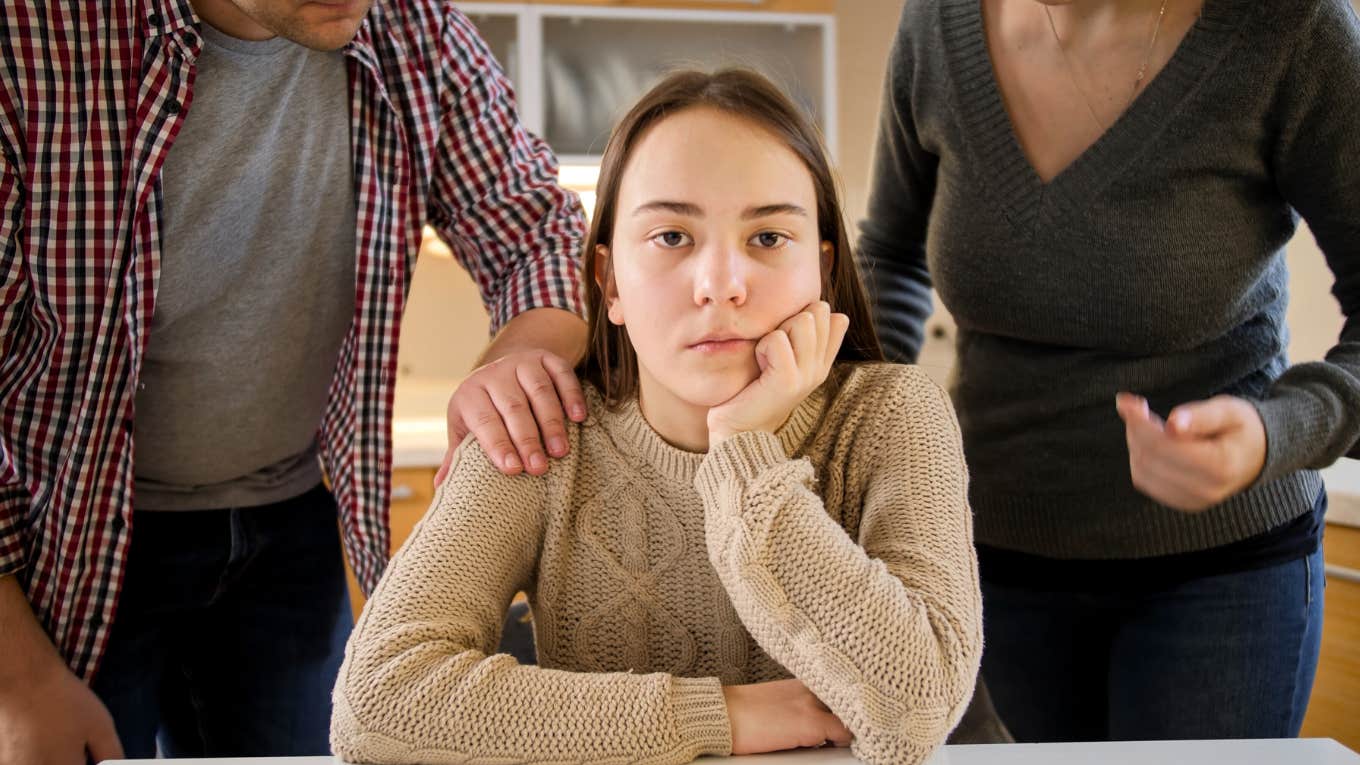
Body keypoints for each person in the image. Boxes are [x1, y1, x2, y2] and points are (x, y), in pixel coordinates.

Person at [329, 68, 983, 765]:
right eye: (672, 236)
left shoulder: (893, 414)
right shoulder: (544, 427)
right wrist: (721, 716)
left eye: (768, 238)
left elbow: (916, 711)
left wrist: (744, 452)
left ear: (822, 270)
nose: (720, 285)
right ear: (609, 282)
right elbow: (376, 702)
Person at [0, 0, 591, 760]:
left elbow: (536, 233)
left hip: (292, 527)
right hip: (63, 544)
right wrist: (17, 679)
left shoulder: (417, 31)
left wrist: (521, 356)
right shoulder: (33, 37)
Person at [858, 0, 1360, 743]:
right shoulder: (937, 23)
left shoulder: (1291, 27)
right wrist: (862, 421)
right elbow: (890, 257)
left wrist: (1271, 432)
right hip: (985, 565)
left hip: (1225, 579)